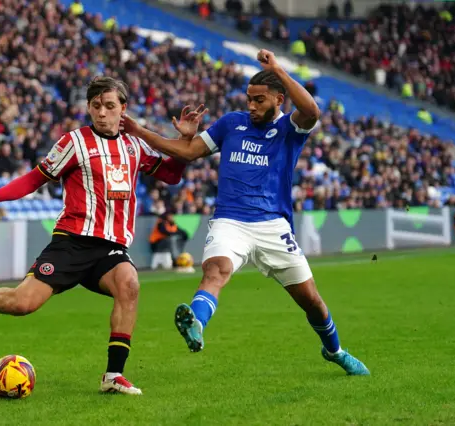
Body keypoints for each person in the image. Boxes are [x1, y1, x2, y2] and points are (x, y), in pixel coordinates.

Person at [0, 77, 194, 395]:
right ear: (89, 109)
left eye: (109, 106)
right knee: (23, 304)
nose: (102, 113)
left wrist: (183, 144)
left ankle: (113, 375)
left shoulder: (134, 145)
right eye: (96, 107)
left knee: (129, 284)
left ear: (123, 108)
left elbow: (172, 175)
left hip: (110, 248)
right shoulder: (74, 143)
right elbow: (34, 179)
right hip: (71, 242)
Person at [122, 49, 370, 376]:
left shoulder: (289, 129)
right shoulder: (232, 124)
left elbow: (311, 110)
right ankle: (196, 322)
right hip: (230, 221)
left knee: (311, 300)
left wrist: (279, 70)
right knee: (215, 271)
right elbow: (189, 150)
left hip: (272, 225)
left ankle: (335, 350)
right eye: (249, 99)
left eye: (260, 100)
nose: (251, 106)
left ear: (279, 99)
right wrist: (140, 131)